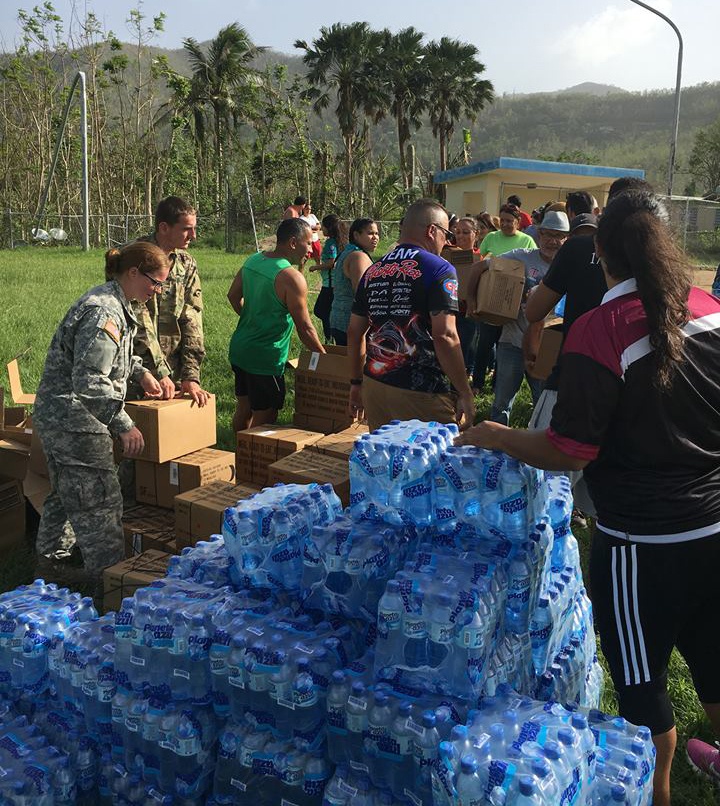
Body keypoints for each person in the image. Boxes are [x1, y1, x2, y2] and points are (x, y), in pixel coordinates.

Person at [457, 190, 720, 806]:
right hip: (715, 528)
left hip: (640, 546)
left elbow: (569, 450)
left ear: (599, 252)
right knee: (714, 663)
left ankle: (654, 794)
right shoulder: (711, 310)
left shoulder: (598, 330)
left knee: (641, 689)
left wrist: (495, 434)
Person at [33, 242, 169, 604]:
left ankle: (51, 567)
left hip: (68, 416)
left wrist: (140, 374)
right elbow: (90, 379)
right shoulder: (103, 311)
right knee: (100, 501)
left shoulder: (117, 304)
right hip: (75, 420)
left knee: (65, 494)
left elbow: (110, 359)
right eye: (155, 283)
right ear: (133, 273)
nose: (156, 292)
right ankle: (109, 585)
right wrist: (124, 424)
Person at [346, 199, 475, 431]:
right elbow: (445, 335)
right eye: (447, 234)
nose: (447, 242)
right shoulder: (440, 269)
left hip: (375, 385)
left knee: (385, 461)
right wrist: (464, 391)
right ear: (431, 231)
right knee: (429, 462)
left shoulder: (373, 271)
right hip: (421, 391)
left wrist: (356, 383)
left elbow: (354, 332)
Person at [228, 218, 325, 432]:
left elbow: (233, 296)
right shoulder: (291, 278)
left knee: (244, 408)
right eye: (308, 243)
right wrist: (325, 359)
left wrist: (252, 319)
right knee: (265, 416)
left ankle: (238, 454)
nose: (311, 249)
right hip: (265, 357)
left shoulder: (253, 260)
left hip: (241, 348)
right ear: (292, 243)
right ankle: (251, 460)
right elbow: (305, 328)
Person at [487, 210, 569, 425]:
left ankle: (536, 444)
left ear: (566, 238)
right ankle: (494, 443)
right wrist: (472, 300)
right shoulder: (521, 256)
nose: (553, 241)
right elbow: (486, 266)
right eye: (548, 235)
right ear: (539, 235)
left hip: (546, 349)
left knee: (543, 400)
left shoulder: (570, 265)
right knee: (502, 401)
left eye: (559, 236)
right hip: (512, 341)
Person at [134, 195, 209, 407]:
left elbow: (192, 317)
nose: (193, 236)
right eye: (186, 229)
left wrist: (190, 375)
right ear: (164, 228)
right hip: (136, 369)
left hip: (171, 371)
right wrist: (158, 370)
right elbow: (137, 318)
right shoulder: (134, 258)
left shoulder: (186, 263)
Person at [328, 218, 379, 346]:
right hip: (352, 323)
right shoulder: (358, 256)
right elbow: (362, 293)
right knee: (356, 365)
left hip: (340, 319)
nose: (375, 237)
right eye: (370, 233)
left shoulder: (348, 252)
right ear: (356, 235)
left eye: (377, 234)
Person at [310, 213, 343, 342]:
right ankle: (331, 338)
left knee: (321, 310)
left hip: (330, 284)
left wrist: (315, 267)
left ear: (329, 227)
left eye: (323, 226)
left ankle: (329, 338)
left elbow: (332, 262)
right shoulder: (340, 240)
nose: (321, 229)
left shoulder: (330, 242)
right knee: (325, 311)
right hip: (336, 283)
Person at [300, 202, 322, 268]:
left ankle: (319, 269)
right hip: (307, 241)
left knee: (318, 255)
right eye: (307, 209)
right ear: (303, 209)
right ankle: (301, 271)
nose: (308, 210)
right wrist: (313, 229)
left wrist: (311, 229)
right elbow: (304, 230)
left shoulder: (313, 216)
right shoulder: (301, 219)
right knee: (305, 257)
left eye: (310, 209)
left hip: (315, 239)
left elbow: (319, 226)